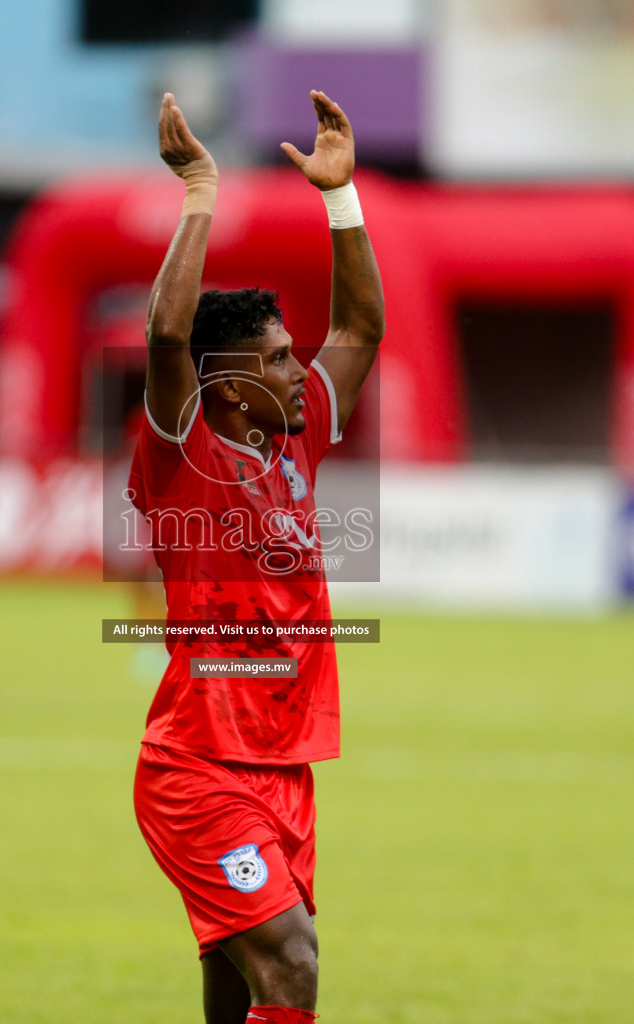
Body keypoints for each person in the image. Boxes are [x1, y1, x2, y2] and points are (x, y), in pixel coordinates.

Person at [128, 92, 384, 1024]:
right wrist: (201, 187)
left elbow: (361, 330)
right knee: (295, 970)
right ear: (230, 385)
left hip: (284, 768)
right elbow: (166, 333)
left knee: (240, 993)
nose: (298, 370)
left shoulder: (295, 444)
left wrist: (341, 202)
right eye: (278, 360)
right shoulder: (183, 449)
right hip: (200, 770)